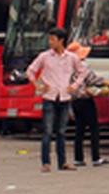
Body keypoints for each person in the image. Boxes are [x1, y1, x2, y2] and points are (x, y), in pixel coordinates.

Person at [25, 27, 86, 172]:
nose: (50, 42)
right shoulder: (45, 56)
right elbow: (30, 71)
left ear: (61, 41)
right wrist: (38, 85)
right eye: (50, 39)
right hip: (49, 96)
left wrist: (74, 85)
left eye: (53, 39)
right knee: (47, 131)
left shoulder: (71, 58)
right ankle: (46, 162)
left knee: (61, 131)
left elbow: (83, 71)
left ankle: (62, 162)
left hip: (64, 96)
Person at [68, 44, 109, 167]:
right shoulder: (82, 66)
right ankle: (96, 157)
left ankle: (78, 158)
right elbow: (93, 79)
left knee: (79, 130)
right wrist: (107, 83)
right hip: (85, 100)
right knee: (93, 129)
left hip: (74, 101)